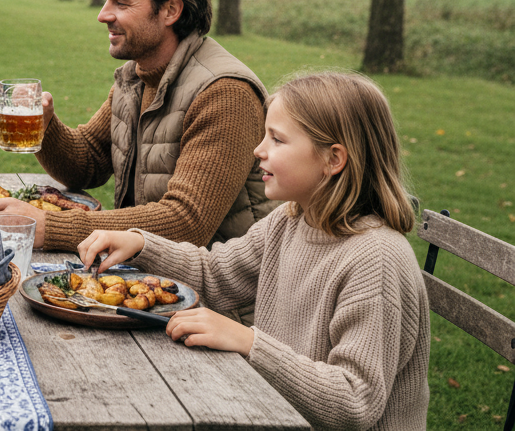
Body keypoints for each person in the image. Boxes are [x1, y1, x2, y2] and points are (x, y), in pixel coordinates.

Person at [78, 72, 430, 431]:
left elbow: (353, 403)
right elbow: (215, 277)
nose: (258, 150)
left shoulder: (377, 260)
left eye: (276, 139)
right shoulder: (292, 220)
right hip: (275, 413)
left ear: (333, 159)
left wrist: (248, 342)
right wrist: (142, 243)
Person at [0, 0, 276, 254]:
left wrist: (50, 227)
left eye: (120, 3)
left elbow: (186, 221)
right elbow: (88, 161)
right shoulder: (138, 75)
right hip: (146, 274)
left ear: (170, 10)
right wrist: (46, 126)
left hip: (210, 296)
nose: (103, 14)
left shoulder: (226, 94)